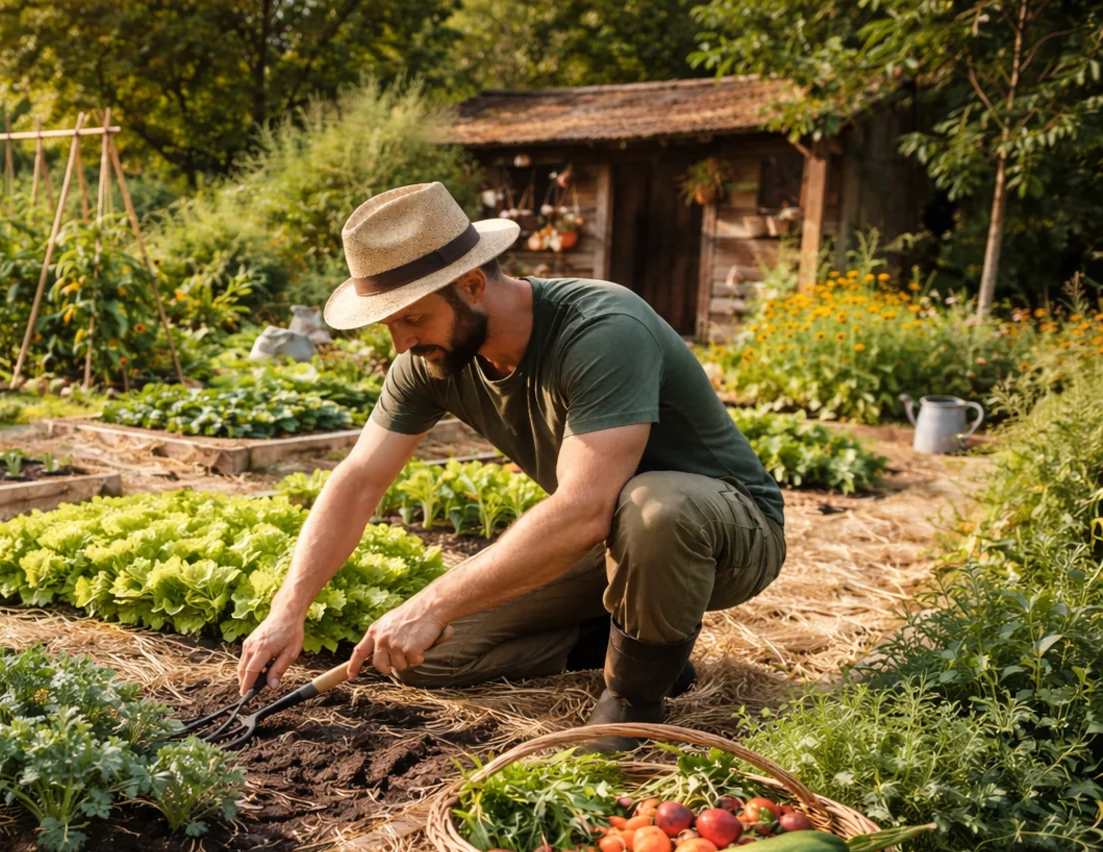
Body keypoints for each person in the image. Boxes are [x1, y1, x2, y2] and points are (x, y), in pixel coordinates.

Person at [235, 182, 785, 749]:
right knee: (419, 657)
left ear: (472, 285)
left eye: (413, 319)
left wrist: (431, 600)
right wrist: (288, 608)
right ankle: (625, 643)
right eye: (390, 324)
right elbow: (357, 481)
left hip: (724, 532)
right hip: (611, 543)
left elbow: (584, 509)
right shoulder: (430, 361)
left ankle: (633, 703)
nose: (400, 343)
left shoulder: (601, 329)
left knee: (653, 507)